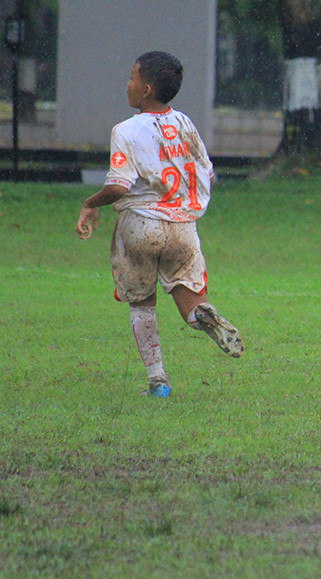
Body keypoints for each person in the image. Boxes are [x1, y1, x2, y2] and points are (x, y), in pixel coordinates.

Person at [76, 51, 244, 397]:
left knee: (141, 303)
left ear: (147, 89)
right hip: (182, 227)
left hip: (140, 226)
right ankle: (205, 315)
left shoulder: (125, 130)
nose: (128, 83)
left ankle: (158, 382)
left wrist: (91, 203)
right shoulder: (184, 124)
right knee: (190, 303)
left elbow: (120, 186)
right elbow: (207, 172)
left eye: (132, 77)